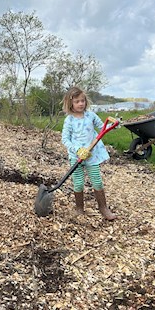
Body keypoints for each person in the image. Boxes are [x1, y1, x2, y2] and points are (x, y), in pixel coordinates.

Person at [61, 86, 117, 221]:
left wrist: (114, 125)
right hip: (77, 156)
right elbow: (65, 139)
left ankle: (103, 208)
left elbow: (102, 126)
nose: (81, 104)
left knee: (97, 182)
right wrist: (77, 150)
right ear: (70, 104)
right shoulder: (69, 120)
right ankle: (79, 208)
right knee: (78, 183)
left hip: (92, 156)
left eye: (82, 101)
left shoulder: (91, 115)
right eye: (77, 102)